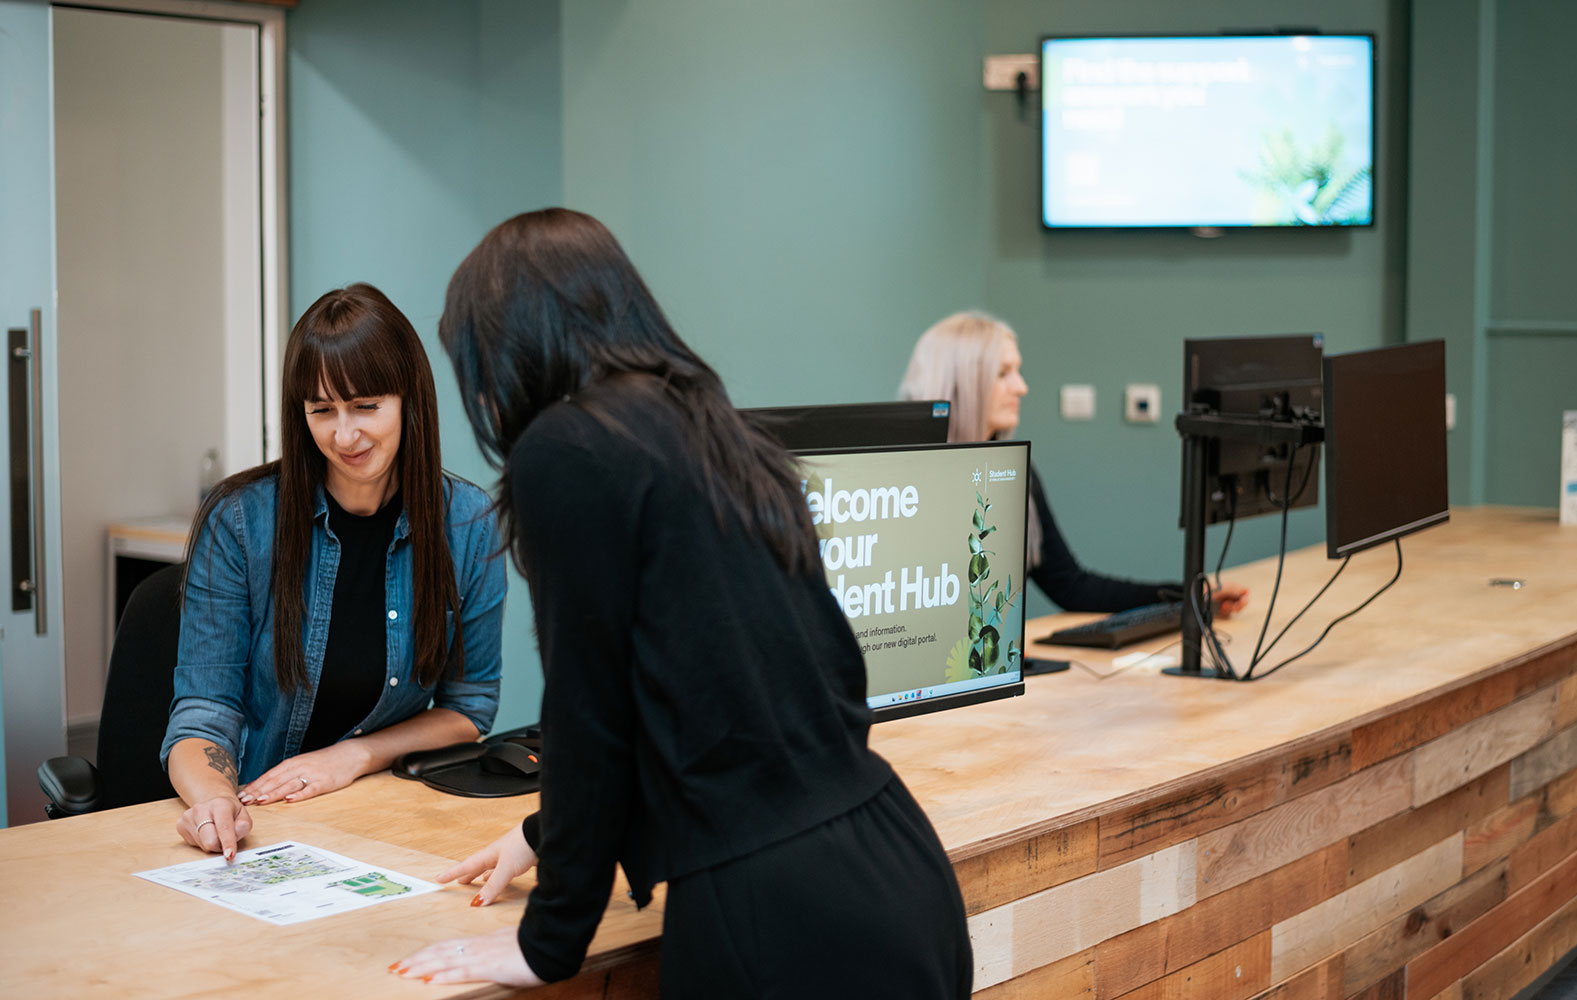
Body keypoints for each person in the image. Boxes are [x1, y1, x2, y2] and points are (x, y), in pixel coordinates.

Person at [391, 209, 972, 997]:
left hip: (778, 917)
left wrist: (548, 938)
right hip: (895, 865)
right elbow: (743, 693)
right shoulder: (717, 428)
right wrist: (544, 836)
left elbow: (589, 713)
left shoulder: (566, 448)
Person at [162, 283, 507, 860]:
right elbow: (204, 708)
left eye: (366, 406)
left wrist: (355, 755)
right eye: (322, 411)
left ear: (409, 399)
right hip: (258, 820)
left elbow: (467, 710)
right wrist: (216, 799)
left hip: (384, 816)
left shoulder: (467, 524)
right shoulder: (240, 521)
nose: (344, 436)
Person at [898, 310, 1247, 616]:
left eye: (1018, 371)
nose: (1022, 387)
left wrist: (1188, 597)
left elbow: (1071, 586)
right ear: (961, 382)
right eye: (1003, 374)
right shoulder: (907, 484)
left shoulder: (1012, 477)